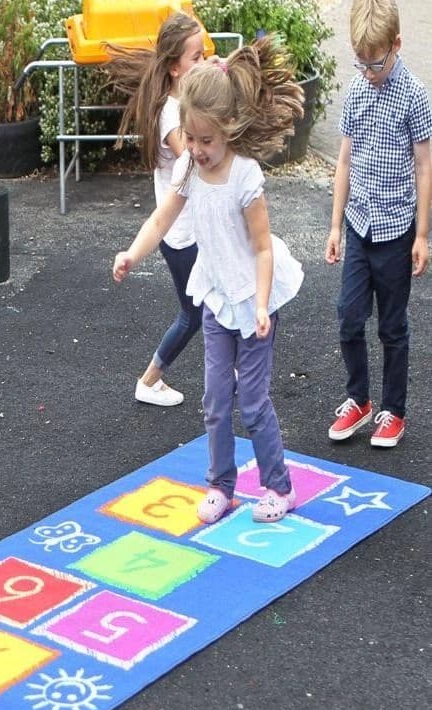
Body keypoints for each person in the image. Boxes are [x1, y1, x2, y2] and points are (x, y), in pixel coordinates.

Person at [113, 38, 305, 524]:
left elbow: (263, 247)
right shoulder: (188, 169)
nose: (196, 149)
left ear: (228, 130)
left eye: (205, 140)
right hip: (218, 296)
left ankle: (279, 488)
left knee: (255, 403)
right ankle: (222, 485)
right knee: (216, 400)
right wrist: (131, 255)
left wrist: (262, 305)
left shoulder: (245, 177)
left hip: (253, 298)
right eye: (190, 138)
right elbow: (160, 220)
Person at [324, 0, 431, 448]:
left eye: (376, 62)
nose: (368, 70)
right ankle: (360, 400)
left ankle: (393, 410)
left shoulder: (415, 95)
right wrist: (334, 227)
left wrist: (423, 234)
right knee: (348, 317)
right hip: (358, 225)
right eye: (361, 61)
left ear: (396, 46)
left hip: (396, 231)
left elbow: (425, 167)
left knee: (392, 326)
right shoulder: (356, 90)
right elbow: (344, 160)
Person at [107, 12, 206, 407]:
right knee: (194, 313)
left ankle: (234, 367)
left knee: (214, 302)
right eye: (196, 58)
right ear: (174, 67)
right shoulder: (170, 113)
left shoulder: (184, 100)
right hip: (181, 235)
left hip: (191, 229)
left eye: (204, 54)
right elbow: (196, 154)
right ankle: (149, 380)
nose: (202, 62)